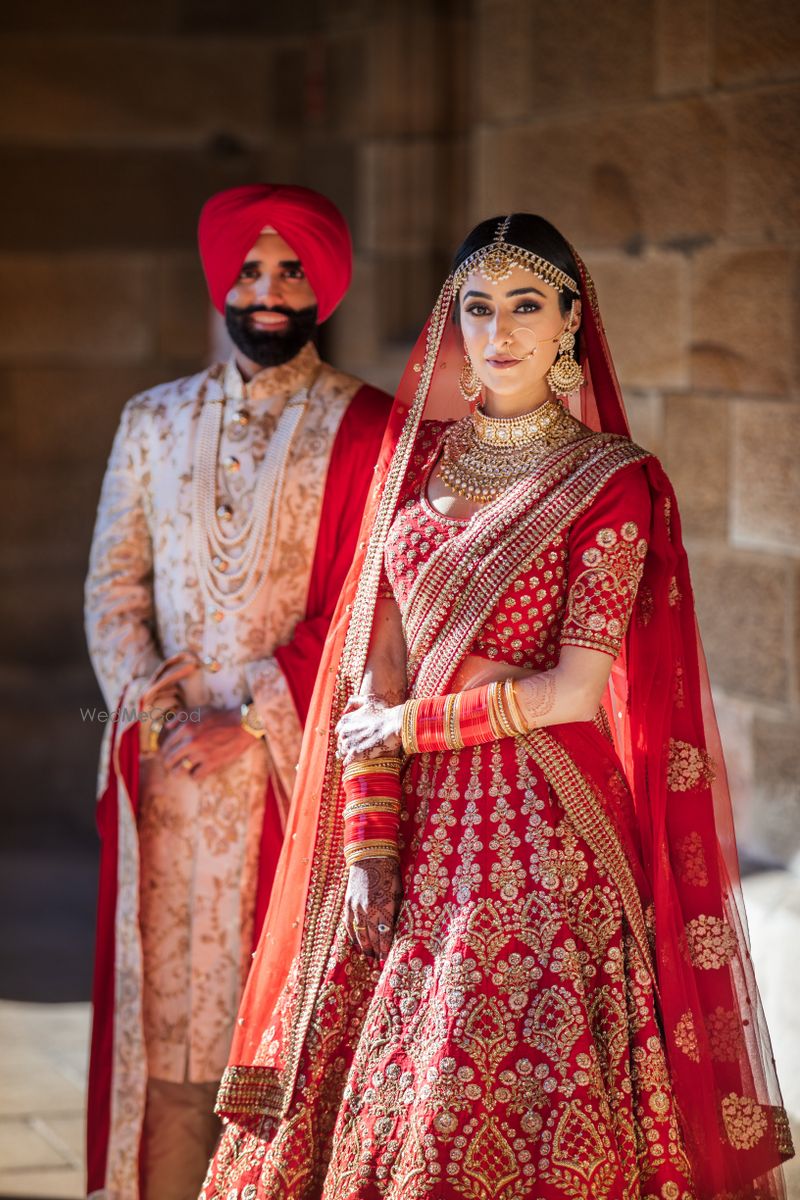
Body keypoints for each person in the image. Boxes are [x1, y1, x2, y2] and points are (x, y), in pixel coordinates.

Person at [200, 214, 793, 1199]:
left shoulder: (610, 483)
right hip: (413, 831)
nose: (500, 330)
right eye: (478, 307)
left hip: (543, 833)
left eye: (526, 305)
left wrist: (406, 726)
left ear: (568, 321)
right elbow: (371, 665)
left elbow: (571, 692)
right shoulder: (415, 463)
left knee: (501, 1089)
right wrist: (365, 843)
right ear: (453, 322)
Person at [84, 183, 391, 1200]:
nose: (267, 293)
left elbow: (370, 600)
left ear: (324, 286)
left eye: (291, 270)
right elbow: (111, 585)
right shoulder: (151, 421)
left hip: (300, 787)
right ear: (221, 278)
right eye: (250, 270)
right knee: (173, 1063)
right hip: (170, 788)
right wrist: (156, 705)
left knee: (285, 1077)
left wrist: (250, 717)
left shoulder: (369, 428)